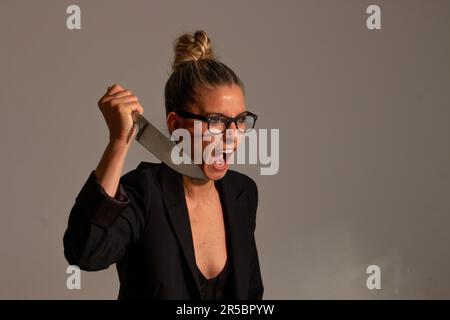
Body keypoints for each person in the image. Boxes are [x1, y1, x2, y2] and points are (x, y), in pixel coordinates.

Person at [63, 30, 263, 300]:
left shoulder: (243, 191)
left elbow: (251, 295)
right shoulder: (143, 193)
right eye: (215, 121)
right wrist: (119, 141)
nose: (232, 136)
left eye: (240, 120)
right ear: (175, 125)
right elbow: (86, 253)